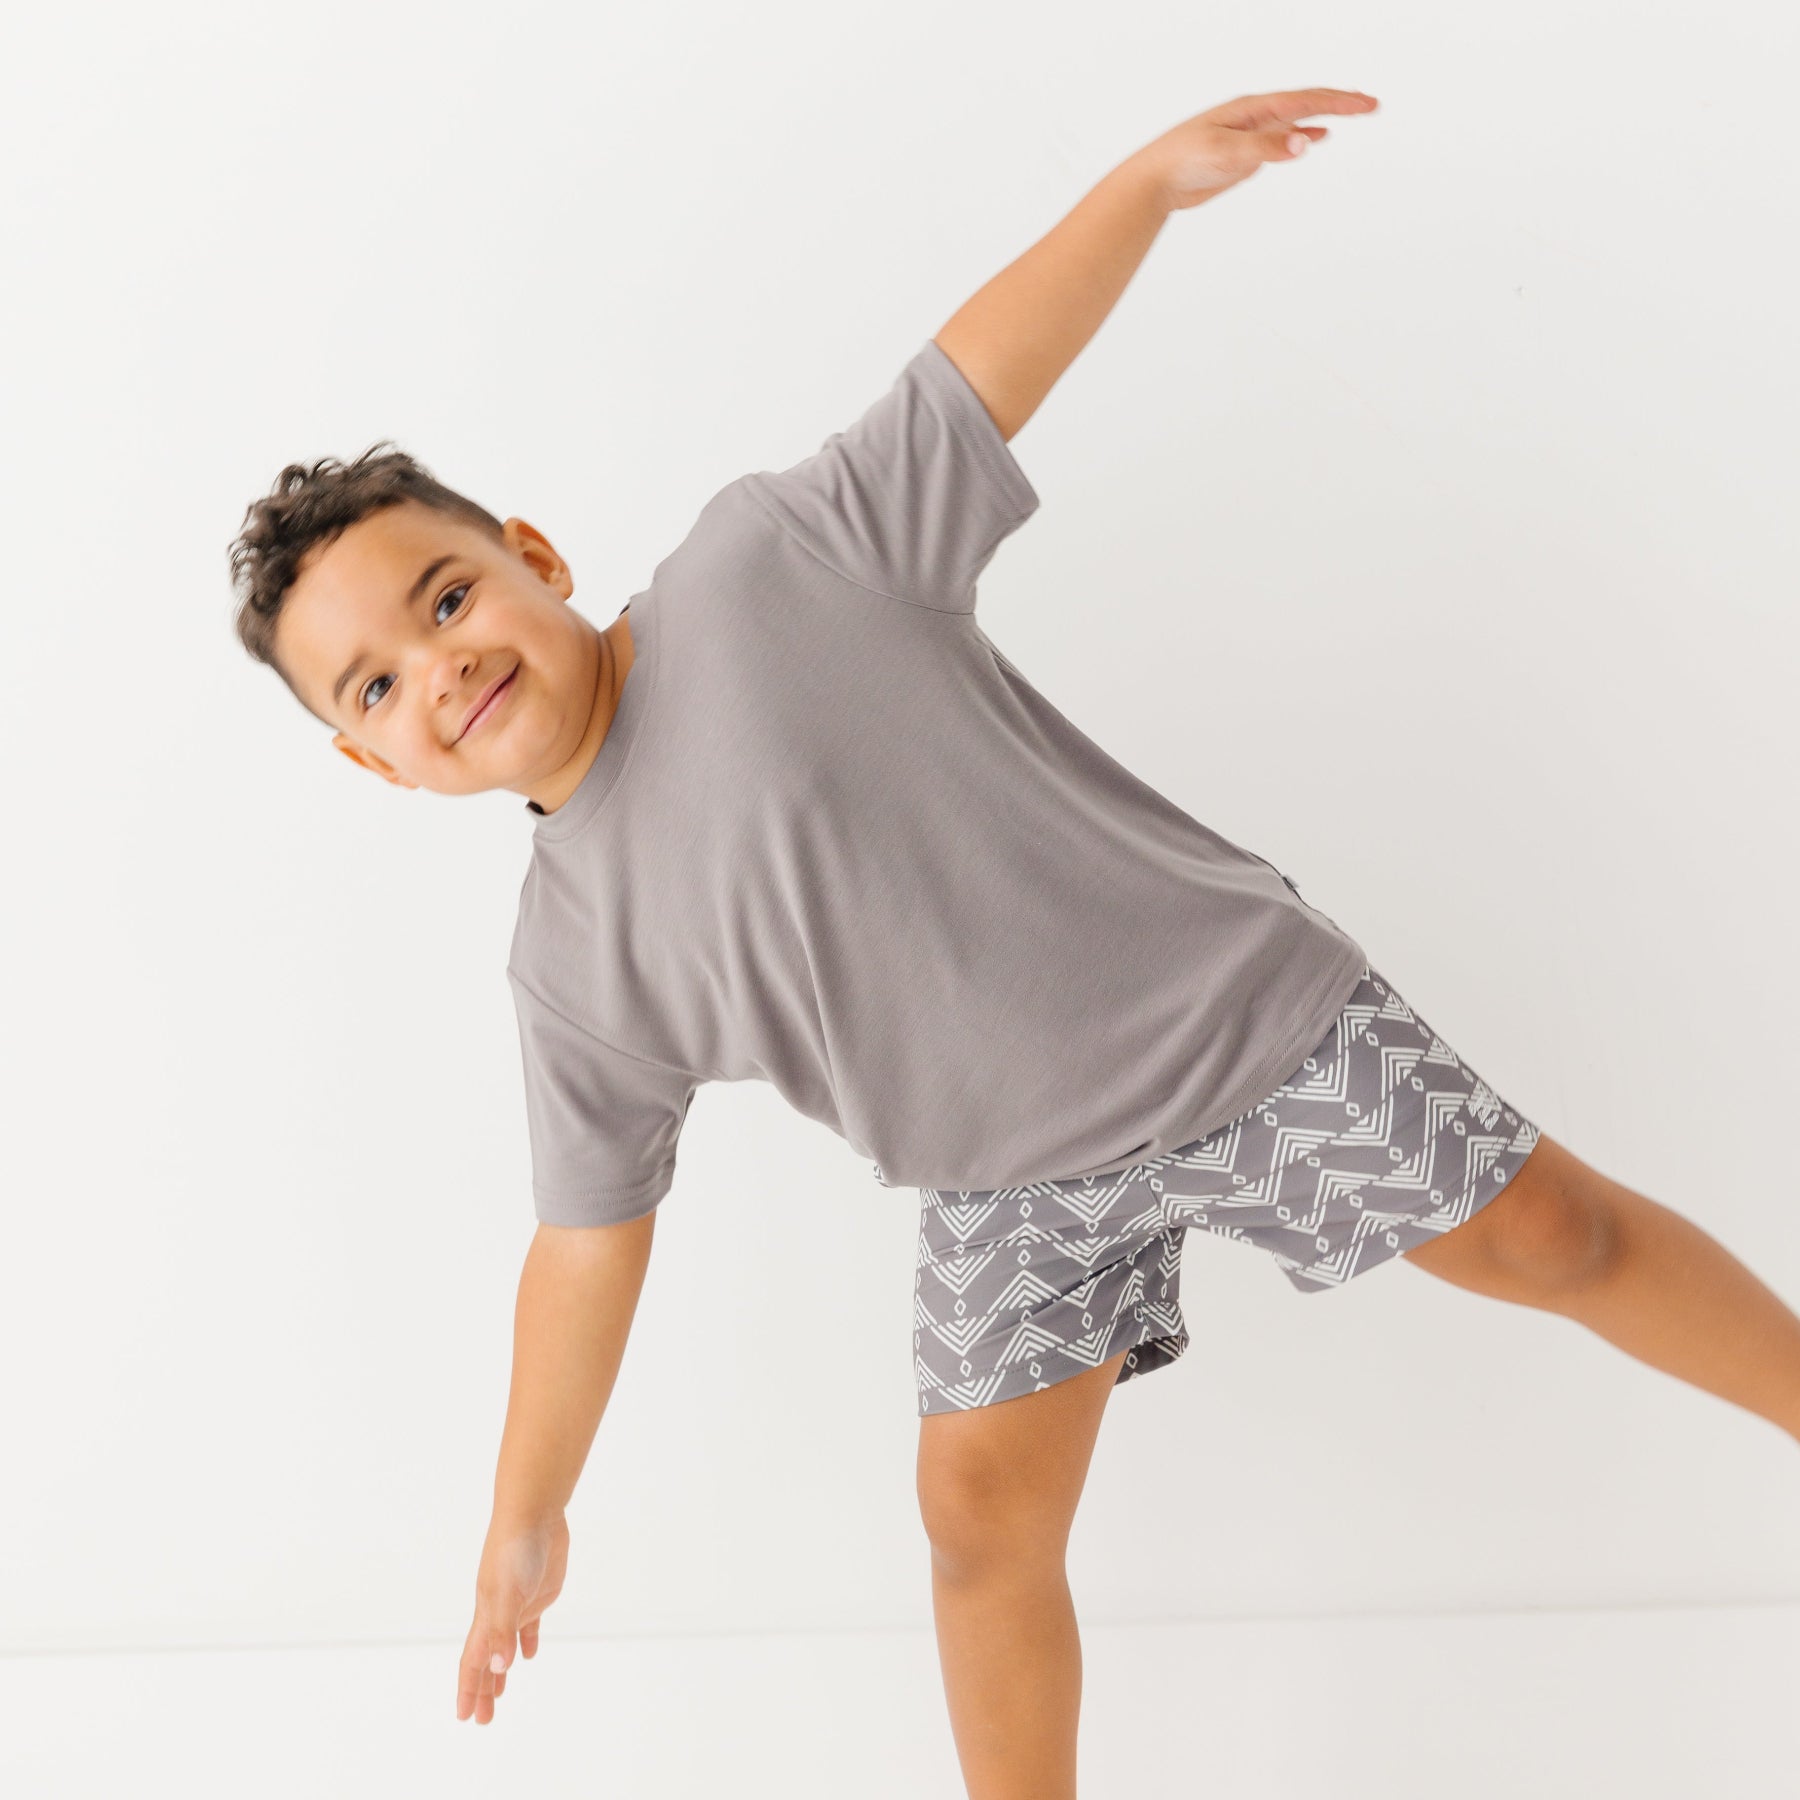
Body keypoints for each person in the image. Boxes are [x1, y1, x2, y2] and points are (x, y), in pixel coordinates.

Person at [228, 86, 1800, 1798]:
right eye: (375, 684)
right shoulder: (572, 968)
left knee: (1552, 1236)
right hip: (1007, 1186)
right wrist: (526, 1507)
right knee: (976, 1519)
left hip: (1232, 1030)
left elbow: (971, 380)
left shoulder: (770, 569)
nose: (437, 667)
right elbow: (586, 1248)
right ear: (367, 761)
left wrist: (1143, 189)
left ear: (530, 556)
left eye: (445, 598)